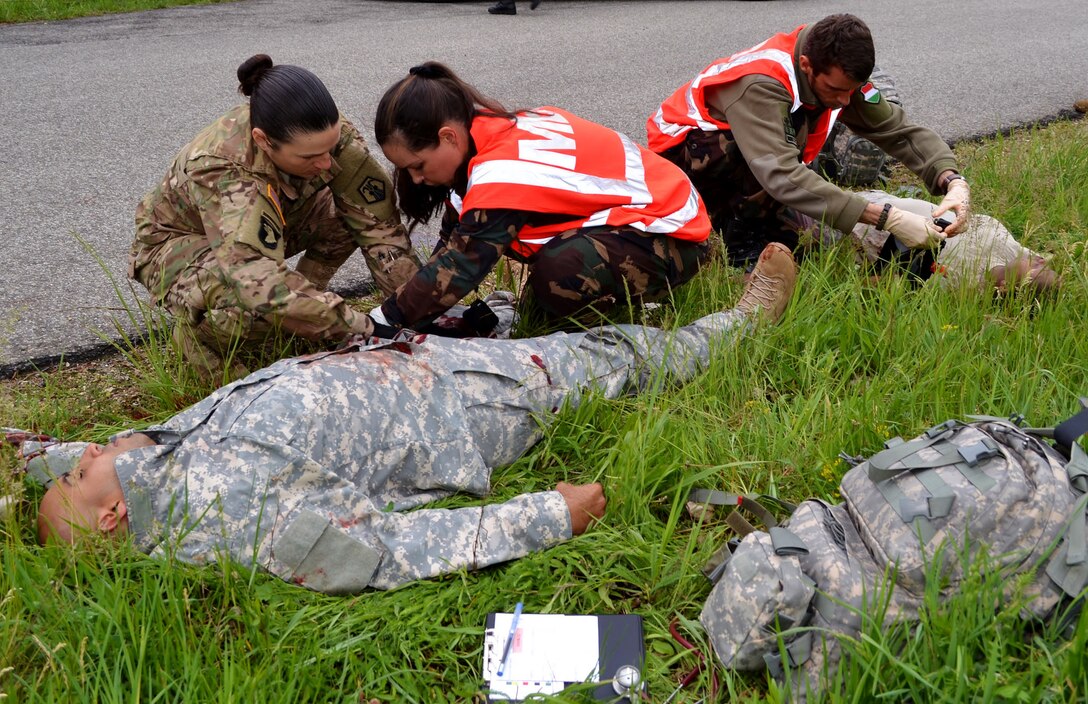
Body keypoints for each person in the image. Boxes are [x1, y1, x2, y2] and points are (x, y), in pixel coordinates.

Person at [34, 242, 799, 593]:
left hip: (407, 362)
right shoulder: (236, 520)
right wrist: (545, 516)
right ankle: (733, 332)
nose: (91, 449)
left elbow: (74, 459)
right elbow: (387, 550)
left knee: (522, 325)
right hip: (456, 411)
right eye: (79, 470)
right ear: (112, 516)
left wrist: (36, 456)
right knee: (596, 363)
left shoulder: (152, 466)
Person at [372, 61, 712, 335]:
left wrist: (385, 320)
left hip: (675, 235)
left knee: (558, 278)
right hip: (652, 215)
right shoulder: (491, 132)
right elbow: (451, 247)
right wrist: (418, 308)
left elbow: (462, 263)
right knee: (542, 299)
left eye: (418, 166)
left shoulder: (501, 171)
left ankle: (623, 314)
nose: (416, 179)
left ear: (448, 137)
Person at [129, 54, 421, 372]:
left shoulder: (324, 133)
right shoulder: (223, 168)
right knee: (254, 304)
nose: (327, 164)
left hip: (267, 223)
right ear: (264, 141)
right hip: (178, 244)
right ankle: (200, 339)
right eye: (311, 156)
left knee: (348, 213)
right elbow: (257, 282)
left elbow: (380, 228)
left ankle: (301, 309)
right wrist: (360, 326)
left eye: (330, 148)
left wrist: (416, 314)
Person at [646, 14, 972, 270]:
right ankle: (737, 242)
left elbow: (898, 131)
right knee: (756, 157)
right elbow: (781, 174)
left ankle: (759, 221)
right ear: (806, 66)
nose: (845, 101)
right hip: (686, 165)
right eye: (836, 90)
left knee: (805, 248)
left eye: (851, 90)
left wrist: (950, 179)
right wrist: (887, 217)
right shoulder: (761, 84)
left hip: (759, 165)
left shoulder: (834, 73)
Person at [849, 191, 1060, 294]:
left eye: (1037, 269)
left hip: (855, 220)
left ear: (1005, 287)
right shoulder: (1014, 252)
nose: (1040, 260)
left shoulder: (957, 281)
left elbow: (878, 283)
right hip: (881, 197)